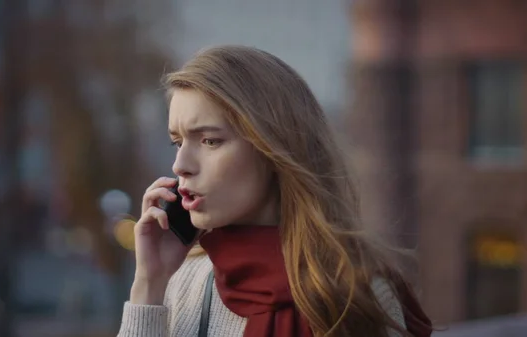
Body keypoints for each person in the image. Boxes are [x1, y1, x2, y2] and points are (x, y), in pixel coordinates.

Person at [118, 45, 432, 337]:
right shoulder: (186, 282)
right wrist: (149, 282)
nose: (180, 165)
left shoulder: (355, 293)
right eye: (177, 142)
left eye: (210, 140)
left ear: (272, 148)